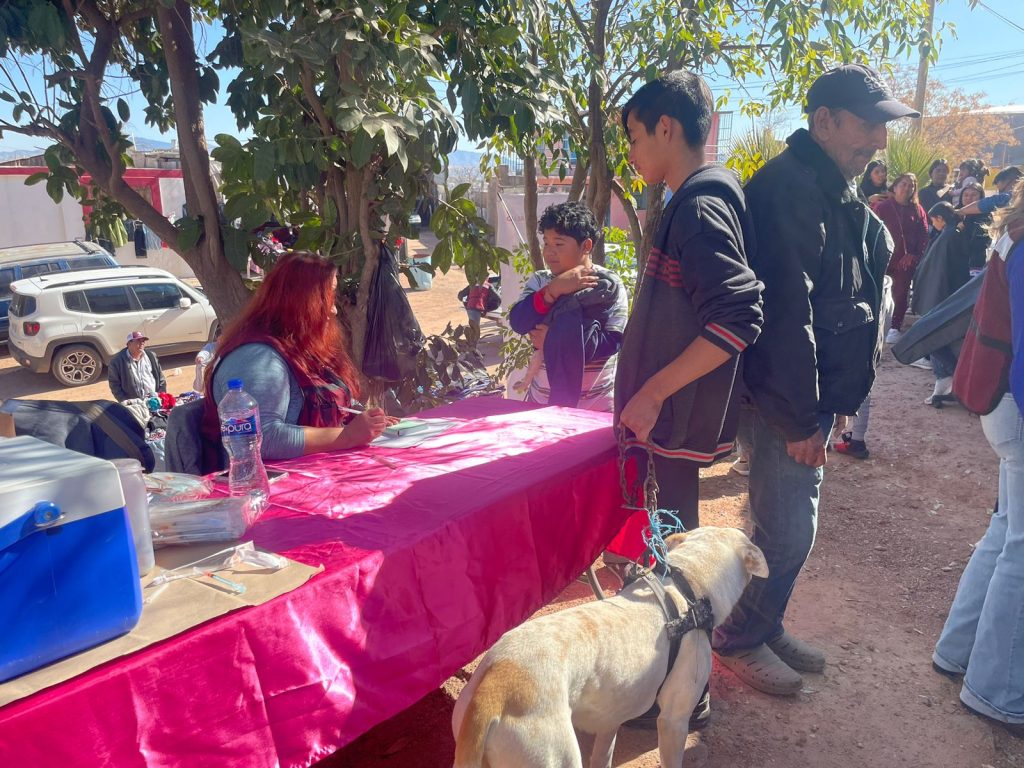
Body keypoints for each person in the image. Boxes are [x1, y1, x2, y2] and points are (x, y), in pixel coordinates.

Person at [713, 64, 916, 695]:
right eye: (870, 122)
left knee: (785, 523)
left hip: (811, 396)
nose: (880, 140)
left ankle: (761, 622)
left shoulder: (833, 186)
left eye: (884, 124)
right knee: (789, 528)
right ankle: (739, 636)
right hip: (785, 401)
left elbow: (847, 289)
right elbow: (782, 318)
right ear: (823, 121)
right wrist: (800, 420)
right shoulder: (788, 190)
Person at [613, 68, 762, 734]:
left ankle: (678, 690)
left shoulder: (698, 206)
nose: (633, 153)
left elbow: (735, 316)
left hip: (671, 420)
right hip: (670, 423)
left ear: (667, 128)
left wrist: (650, 390)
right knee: (665, 553)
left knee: (669, 558)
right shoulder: (699, 197)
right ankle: (672, 681)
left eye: (636, 136)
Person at [933, 180, 1024, 731]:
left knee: (1006, 534)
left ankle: (957, 654)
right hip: (1015, 400)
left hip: (1002, 401)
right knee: (1018, 545)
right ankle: (994, 691)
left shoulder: (1012, 235)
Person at [198, 252, 389, 471]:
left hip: (316, 474)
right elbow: (263, 439)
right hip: (267, 489)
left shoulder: (296, 346)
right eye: (328, 298)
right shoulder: (256, 358)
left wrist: (362, 422)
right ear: (302, 303)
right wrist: (347, 435)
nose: (334, 309)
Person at [508, 201, 628, 410]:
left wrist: (555, 340)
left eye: (559, 244)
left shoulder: (608, 285)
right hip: (542, 402)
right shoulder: (541, 281)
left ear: (586, 246)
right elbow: (519, 322)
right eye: (546, 243)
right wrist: (553, 290)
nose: (549, 253)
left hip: (597, 407)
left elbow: (614, 341)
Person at [912, 202, 970, 406]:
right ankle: (945, 383)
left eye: (933, 220)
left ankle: (950, 381)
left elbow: (944, 272)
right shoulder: (948, 235)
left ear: (940, 219)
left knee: (934, 339)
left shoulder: (949, 236)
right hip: (941, 296)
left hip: (939, 297)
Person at [874, 173, 928, 344]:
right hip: (883, 258)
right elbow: (873, 232)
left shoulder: (918, 210)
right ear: (895, 186)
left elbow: (924, 235)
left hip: (906, 261)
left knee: (901, 293)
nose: (907, 188)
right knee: (879, 291)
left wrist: (914, 255)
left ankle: (895, 326)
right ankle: (876, 323)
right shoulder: (882, 207)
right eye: (903, 184)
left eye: (911, 185)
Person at [108, 331, 167, 402]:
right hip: (135, 403)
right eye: (138, 341)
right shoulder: (116, 362)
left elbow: (161, 379)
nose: (142, 343)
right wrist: (126, 401)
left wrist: (161, 395)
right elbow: (114, 385)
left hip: (155, 400)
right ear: (129, 344)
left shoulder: (151, 356)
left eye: (143, 341)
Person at [959, 182, 993, 276]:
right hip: (954, 261)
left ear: (981, 198)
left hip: (975, 262)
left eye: (973, 195)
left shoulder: (985, 217)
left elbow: (980, 241)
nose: (969, 198)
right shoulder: (955, 213)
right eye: (966, 195)